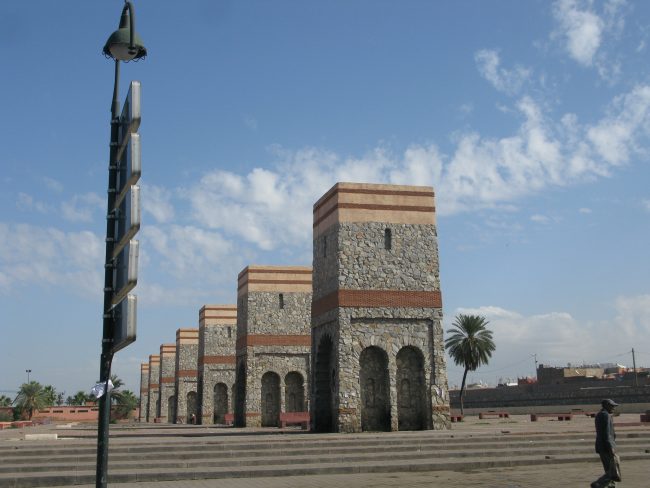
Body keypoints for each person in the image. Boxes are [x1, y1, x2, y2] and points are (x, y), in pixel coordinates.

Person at [591, 398, 620, 488]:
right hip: (606, 446)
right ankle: (598, 483)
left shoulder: (599, 414)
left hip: (601, 445)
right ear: (606, 405)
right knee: (612, 470)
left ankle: (611, 485)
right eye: (612, 406)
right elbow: (607, 433)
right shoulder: (606, 415)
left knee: (609, 468)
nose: (614, 408)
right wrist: (611, 447)